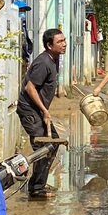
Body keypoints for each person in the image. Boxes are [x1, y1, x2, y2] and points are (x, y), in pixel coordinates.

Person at [16, 28, 67, 199]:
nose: (64, 44)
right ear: (49, 45)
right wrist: (45, 110)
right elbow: (30, 88)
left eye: (64, 40)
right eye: (59, 42)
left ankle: (39, 184)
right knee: (43, 148)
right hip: (31, 111)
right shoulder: (44, 63)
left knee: (52, 144)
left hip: (38, 111)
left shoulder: (53, 60)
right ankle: (36, 189)